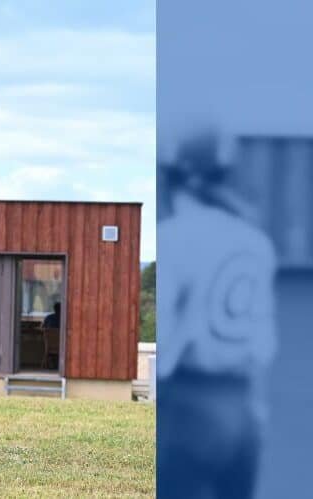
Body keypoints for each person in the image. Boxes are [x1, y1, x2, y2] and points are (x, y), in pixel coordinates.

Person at [157, 129, 276, 497]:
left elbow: (166, 343)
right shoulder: (256, 241)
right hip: (243, 411)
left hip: (189, 406)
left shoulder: (174, 237)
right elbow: (264, 345)